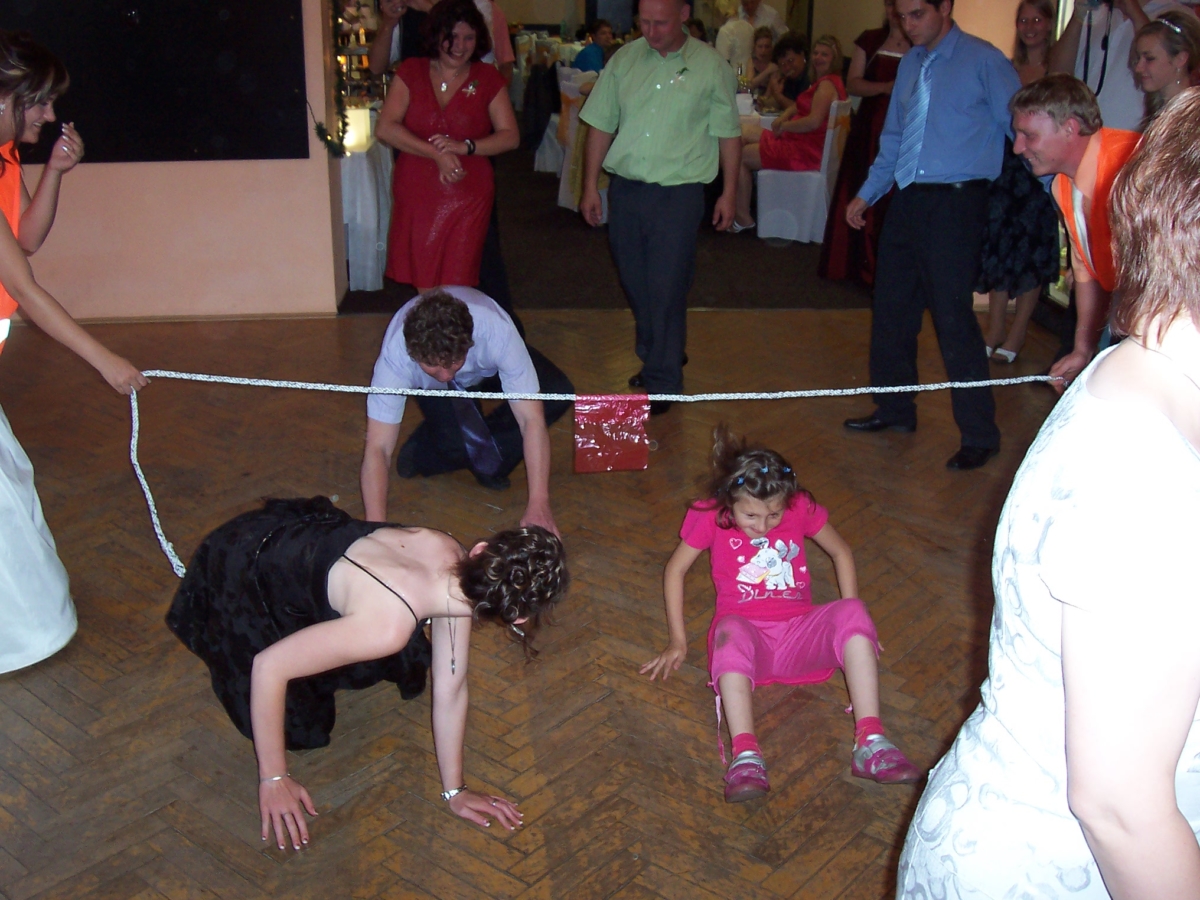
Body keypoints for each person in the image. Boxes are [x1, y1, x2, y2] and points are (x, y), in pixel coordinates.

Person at [897, 87, 1200, 900]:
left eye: (1029, 132)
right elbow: (1121, 808)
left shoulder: (1154, 381)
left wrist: (1085, 344)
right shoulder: (1140, 471)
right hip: (1056, 866)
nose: (1018, 147)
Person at [166, 496, 568, 851]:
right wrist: (273, 778)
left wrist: (455, 791)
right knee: (301, 728)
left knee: (398, 658)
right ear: (518, 618)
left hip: (293, 541)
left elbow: (452, 685)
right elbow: (268, 666)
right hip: (243, 567)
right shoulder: (387, 628)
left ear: (481, 551)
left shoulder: (449, 549)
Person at [640, 426, 920, 803]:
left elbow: (841, 552)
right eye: (750, 515)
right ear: (729, 501)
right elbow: (675, 570)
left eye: (773, 515)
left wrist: (856, 631)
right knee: (728, 629)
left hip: (799, 637)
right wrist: (678, 640)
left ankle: (871, 741)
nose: (762, 527)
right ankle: (746, 756)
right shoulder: (710, 514)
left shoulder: (798, 506)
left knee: (854, 610)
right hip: (749, 645)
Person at [0, 32, 147, 675]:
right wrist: (105, 361)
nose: (49, 115)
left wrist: (55, 173)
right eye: (37, 102)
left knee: (10, 485)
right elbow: (26, 288)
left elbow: (24, 241)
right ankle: (23, 633)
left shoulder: (4, 155)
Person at [844, 0, 1020, 471]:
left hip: (957, 203)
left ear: (945, 6)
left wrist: (1053, 188)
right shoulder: (911, 65)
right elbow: (895, 140)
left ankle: (980, 434)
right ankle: (895, 408)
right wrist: (867, 193)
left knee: (952, 317)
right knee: (892, 309)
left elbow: (1022, 132)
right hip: (907, 197)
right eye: (902, 15)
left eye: (918, 13)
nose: (908, 25)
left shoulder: (986, 62)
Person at [579, 0, 741, 414]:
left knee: (666, 287)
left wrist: (729, 193)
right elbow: (600, 124)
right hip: (627, 191)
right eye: (644, 22)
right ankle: (659, 353)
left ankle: (664, 379)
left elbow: (728, 133)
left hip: (679, 194)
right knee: (636, 283)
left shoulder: (711, 66)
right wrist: (590, 186)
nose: (650, 32)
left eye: (660, 23)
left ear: (684, 14)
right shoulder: (624, 60)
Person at [360, 287, 572, 532]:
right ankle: (423, 449)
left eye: (453, 362)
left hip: (487, 371)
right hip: (434, 390)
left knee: (558, 391)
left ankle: (473, 442)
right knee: (461, 448)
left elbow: (530, 420)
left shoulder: (497, 332)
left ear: (469, 343)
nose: (446, 375)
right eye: (432, 365)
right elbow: (378, 447)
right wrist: (375, 531)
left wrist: (539, 503)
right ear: (413, 354)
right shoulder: (395, 356)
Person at [376, 0, 519, 292]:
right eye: (451, 36)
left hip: (467, 193)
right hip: (417, 191)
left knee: (458, 281)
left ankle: (455, 323)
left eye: (468, 37)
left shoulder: (487, 78)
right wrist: (437, 153)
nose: (459, 46)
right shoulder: (411, 71)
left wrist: (464, 147)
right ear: (436, 34)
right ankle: (431, 323)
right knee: (424, 282)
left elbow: (510, 136)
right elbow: (386, 127)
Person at [1009, 75, 1139, 391]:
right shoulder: (1062, 185)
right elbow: (1085, 272)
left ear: (1069, 128)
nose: (1017, 148)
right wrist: (1082, 349)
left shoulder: (1134, 165)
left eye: (1029, 135)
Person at [977, 0, 1062, 365]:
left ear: (1050, 23)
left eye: (1037, 19)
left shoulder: (1058, 69)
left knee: (1032, 247)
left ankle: (1018, 331)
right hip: (1006, 166)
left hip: (1041, 169)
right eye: (1023, 20)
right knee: (999, 244)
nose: (1029, 27)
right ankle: (995, 327)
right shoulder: (1006, 68)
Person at [819, 0, 910, 287]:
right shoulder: (870, 40)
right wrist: (885, 88)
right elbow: (853, 84)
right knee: (861, 185)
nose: (894, 13)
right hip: (870, 127)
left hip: (905, 126)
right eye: (890, 6)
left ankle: (888, 268)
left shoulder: (920, 44)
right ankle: (854, 265)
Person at [732, 34, 846, 231]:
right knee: (742, 132)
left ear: (834, 58)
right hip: (802, 144)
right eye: (816, 53)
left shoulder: (826, 87)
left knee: (740, 155)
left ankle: (742, 215)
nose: (818, 58)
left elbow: (813, 122)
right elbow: (798, 105)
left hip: (804, 152)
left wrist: (784, 126)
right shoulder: (828, 82)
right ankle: (740, 198)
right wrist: (784, 117)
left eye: (824, 54)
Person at [1048, 0, 1196, 132]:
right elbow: (1056, 75)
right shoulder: (1096, 13)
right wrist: (1077, 17)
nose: (1139, 67)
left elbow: (1163, 61)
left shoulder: (1174, 12)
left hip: (1134, 135)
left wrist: (1133, 11)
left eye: (1148, 59)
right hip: (1085, 136)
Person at [1133, 11, 1200, 125]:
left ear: (1180, 59)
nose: (1138, 68)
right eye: (1138, 58)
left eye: (1149, 58)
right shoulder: (1157, 110)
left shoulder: (1193, 118)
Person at [763, 33, 810, 109]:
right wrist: (763, 101)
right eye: (782, 64)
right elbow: (778, 103)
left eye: (790, 61)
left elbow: (802, 110)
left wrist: (778, 96)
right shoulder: (787, 79)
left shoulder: (811, 77)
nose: (787, 67)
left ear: (802, 54)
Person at [746, 27, 778, 95]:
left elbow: (769, 94)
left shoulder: (774, 64)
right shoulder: (752, 61)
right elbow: (749, 86)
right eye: (760, 47)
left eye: (767, 47)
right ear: (754, 47)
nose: (763, 51)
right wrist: (767, 71)